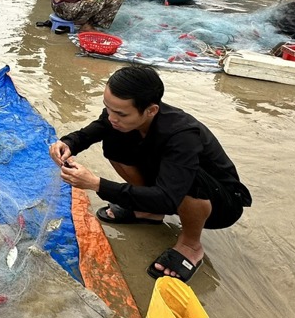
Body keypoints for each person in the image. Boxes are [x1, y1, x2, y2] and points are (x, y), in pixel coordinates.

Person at [50, 66, 251, 283]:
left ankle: (191, 245)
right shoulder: (117, 116)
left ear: (151, 110)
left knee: (189, 179)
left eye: (120, 113)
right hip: (171, 188)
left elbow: (167, 198)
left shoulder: (183, 136)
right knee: (114, 140)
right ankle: (147, 211)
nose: (112, 116)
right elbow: (99, 127)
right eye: (108, 108)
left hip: (221, 203)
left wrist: (97, 184)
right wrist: (69, 142)